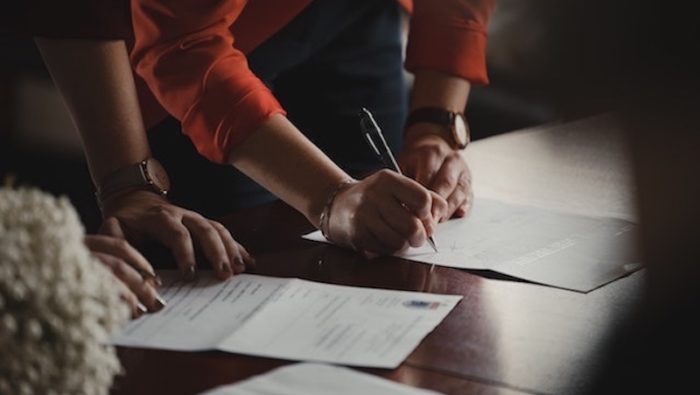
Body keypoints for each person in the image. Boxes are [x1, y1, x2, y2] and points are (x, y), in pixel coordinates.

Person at [97, 0, 494, 260]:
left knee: (384, 239)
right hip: (208, 47)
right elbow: (183, 46)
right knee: (240, 266)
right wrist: (329, 196)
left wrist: (434, 126)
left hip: (360, 16)